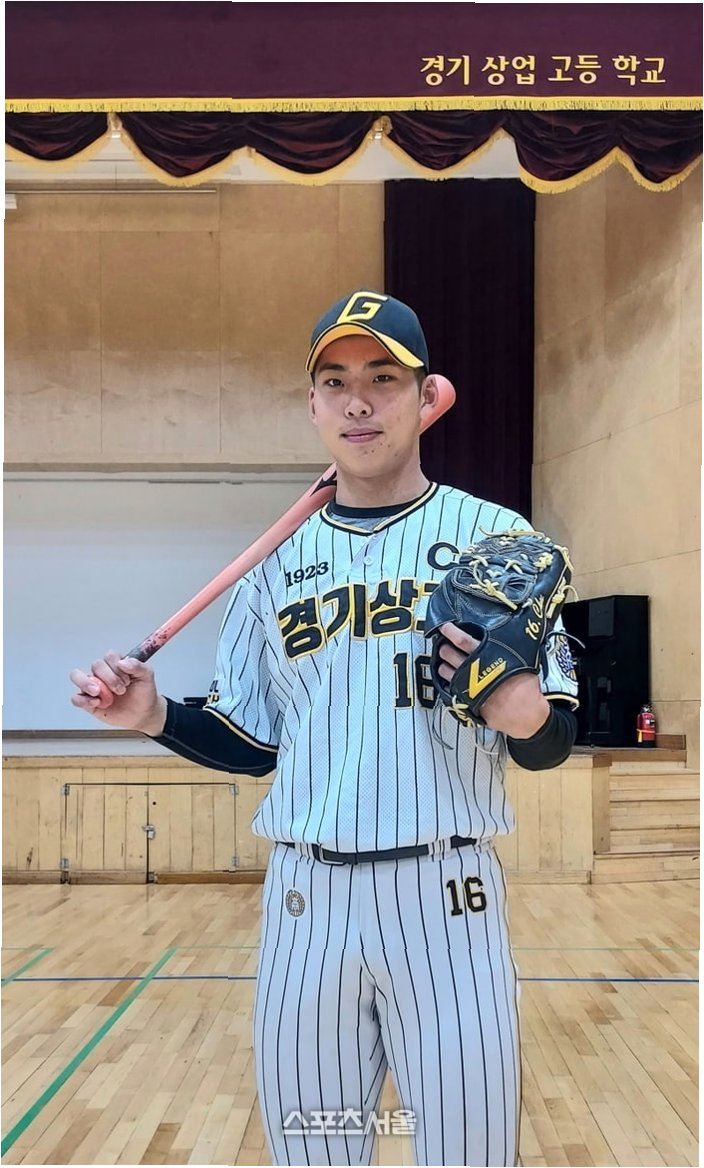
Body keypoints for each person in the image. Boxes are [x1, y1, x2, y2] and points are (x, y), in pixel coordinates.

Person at [71, 289, 578, 1167]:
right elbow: (254, 743)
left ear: (426, 397)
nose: (358, 402)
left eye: (383, 378)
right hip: (308, 902)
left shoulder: (495, 537)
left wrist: (524, 713)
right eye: (335, 382)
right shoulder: (271, 566)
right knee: (315, 1153)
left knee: (469, 1152)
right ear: (312, 405)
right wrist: (153, 714)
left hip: (446, 894)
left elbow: (553, 736)